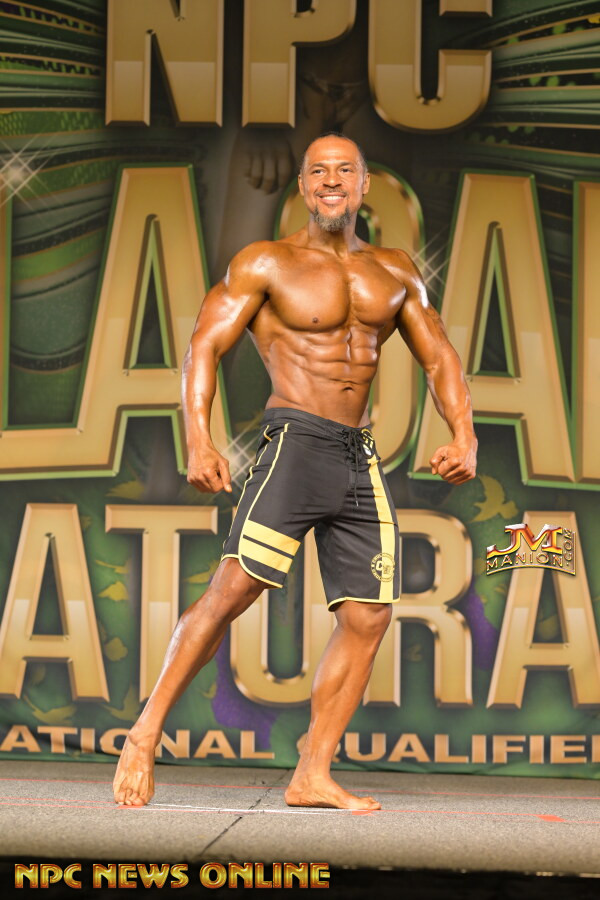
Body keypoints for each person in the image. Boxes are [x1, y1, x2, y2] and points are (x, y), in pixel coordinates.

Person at [113, 133, 477, 811]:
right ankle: (144, 732)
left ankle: (313, 771)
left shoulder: (395, 271)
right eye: (319, 171)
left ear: (364, 185)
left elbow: (439, 356)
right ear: (304, 187)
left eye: (345, 170)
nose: (331, 180)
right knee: (232, 592)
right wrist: (199, 439)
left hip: (356, 454)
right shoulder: (266, 263)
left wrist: (464, 432)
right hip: (295, 444)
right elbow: (204, 345)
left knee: (369, 616)